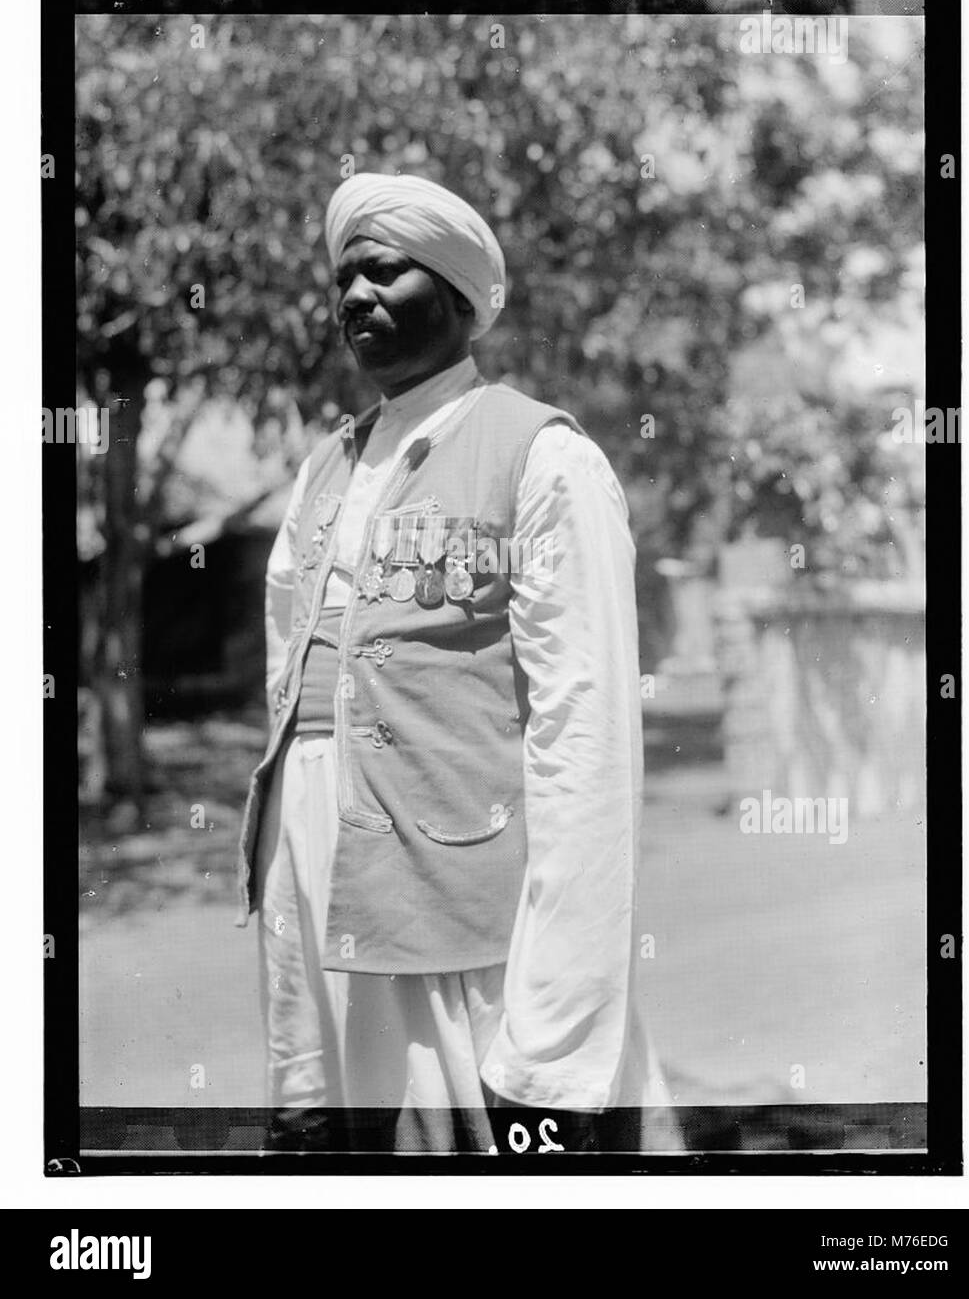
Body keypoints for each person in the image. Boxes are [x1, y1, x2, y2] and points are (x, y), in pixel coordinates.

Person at [236, 172, 676, 1154]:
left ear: (457, 292)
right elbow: (290, 688)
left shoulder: (543, 457)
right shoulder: (323, 467)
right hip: (314, 878)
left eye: (384, 271)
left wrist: (557, 1016)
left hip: (464, 897)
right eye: (344, 276)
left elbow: (585, 733)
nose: (355, 297)